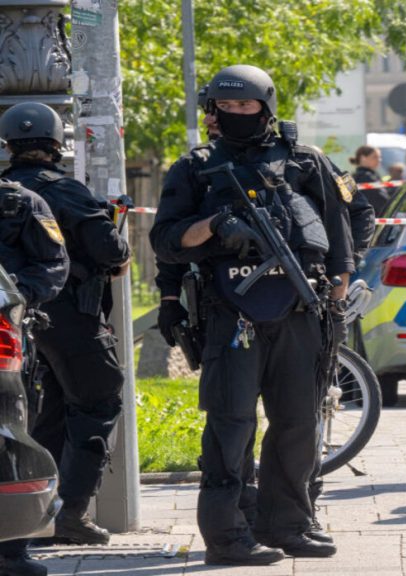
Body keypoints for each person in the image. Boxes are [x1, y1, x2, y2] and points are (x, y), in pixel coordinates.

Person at [150, 64, 354, 565]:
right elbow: (167, 241)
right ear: (213, 110)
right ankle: (227, 537)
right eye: (226, 106)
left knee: (297, 423)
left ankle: (288, 524)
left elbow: (339, 235)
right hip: (230, 315)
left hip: (300, 311)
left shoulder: (305, 161)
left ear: (266, 107)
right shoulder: (195, 167)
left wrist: (337, 294)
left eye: (245, 105)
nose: (236, 113)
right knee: (231, 425)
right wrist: (215, 225)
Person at [0, 102, 132, 548]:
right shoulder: (67, 191)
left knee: (48, 412)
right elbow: (111, 252)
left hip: (18, 320)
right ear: (58, 144)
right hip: (70, 315)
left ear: (9, 146)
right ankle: (71, 512)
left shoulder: (7, 191)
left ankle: (41, 514)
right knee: (98, 401)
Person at [0, 176, 69, 576]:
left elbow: (54, 265)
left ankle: (11, 551)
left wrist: (14, 296)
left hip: (6, 333)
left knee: (11, 441)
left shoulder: (19, 202)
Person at [350, 145, 388, 213]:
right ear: (363, 158)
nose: (379, 160)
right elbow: (382, 201)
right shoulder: (366, 177)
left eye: (380, 157)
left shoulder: (357, 176)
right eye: (375, 157)